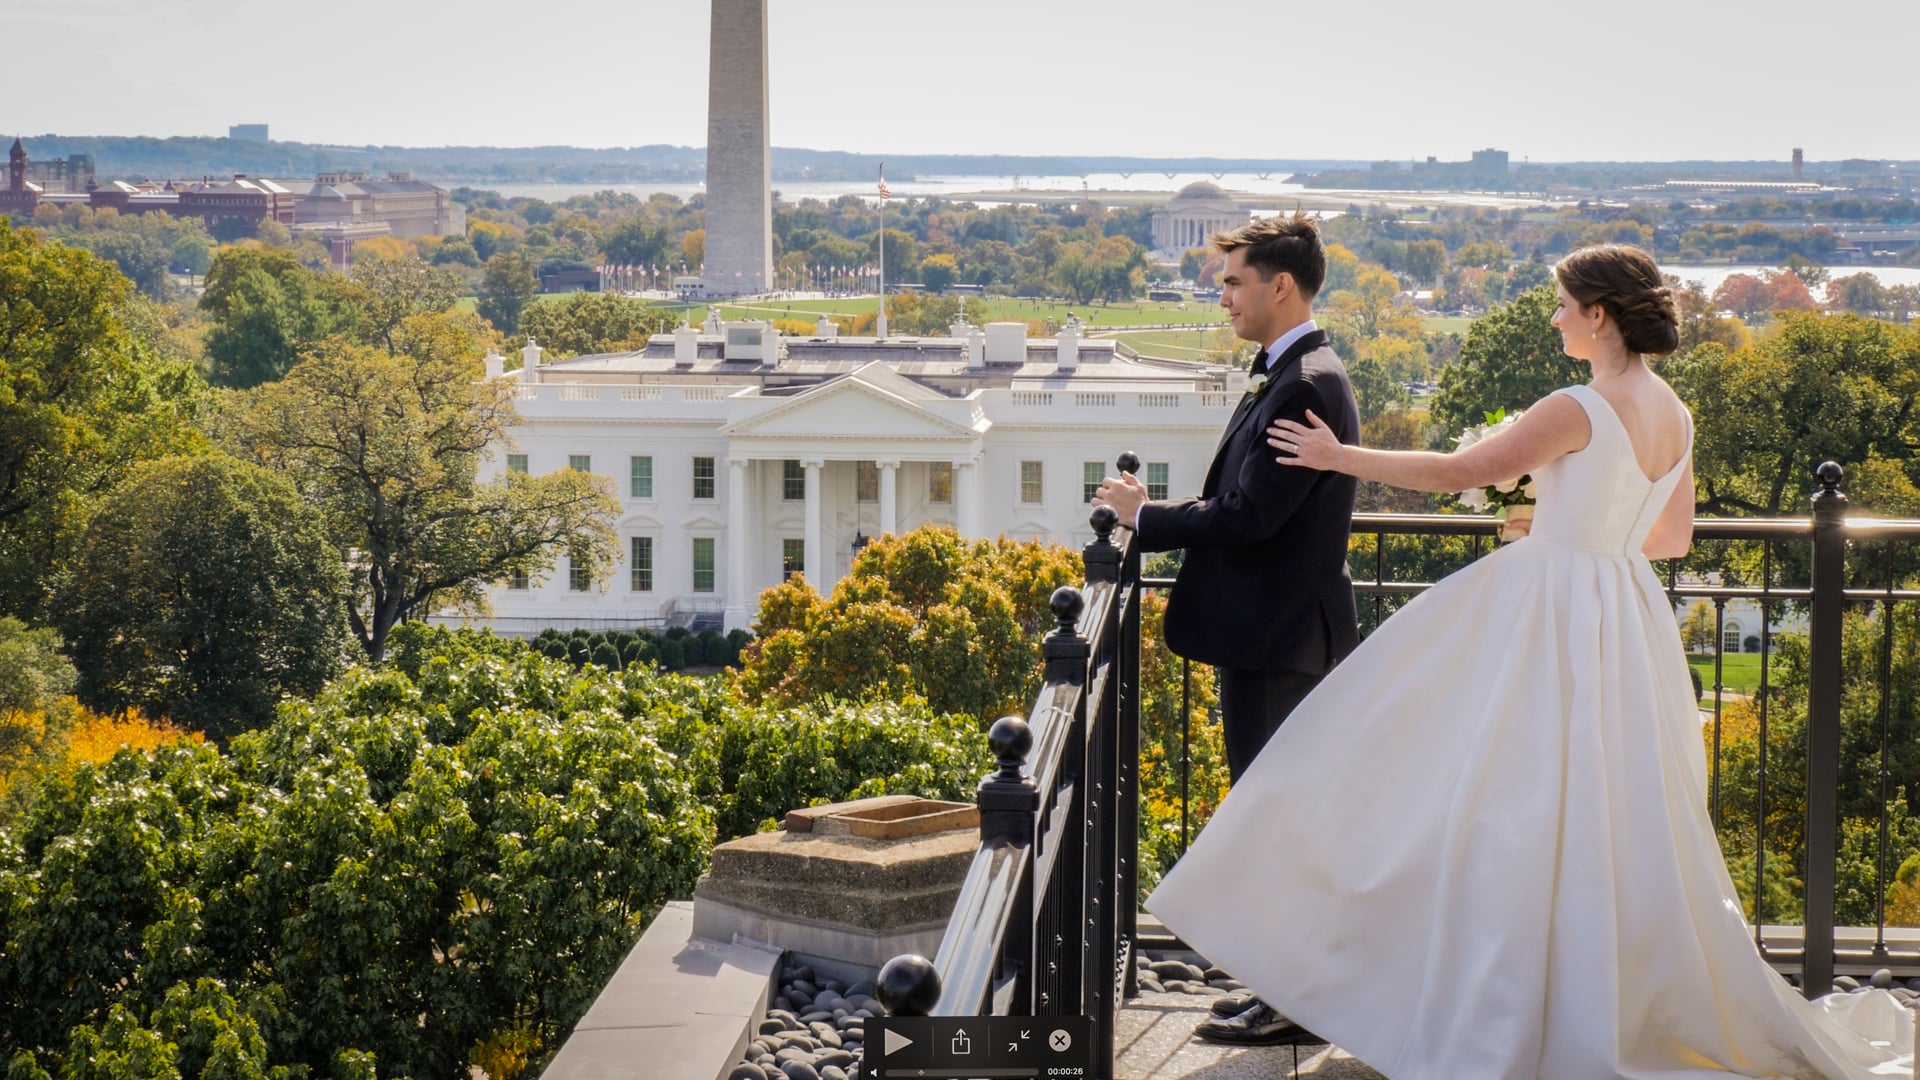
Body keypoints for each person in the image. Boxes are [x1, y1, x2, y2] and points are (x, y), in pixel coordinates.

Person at [1147, 244, 1914, 1078]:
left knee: (1453, 781)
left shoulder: (1578, 404)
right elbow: (1670, 538)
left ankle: (1448, 982)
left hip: (1549, 611)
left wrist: (1340, 459)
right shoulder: (1673, 411)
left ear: (1598, 315)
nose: (1552, 318)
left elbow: (1459, 472)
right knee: (1597, 809)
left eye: (1560, 305)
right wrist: (1570, 522)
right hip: (1622, 615)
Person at [1094, 212, 1361, 1047]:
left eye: (1234, 282)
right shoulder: (1291, 372)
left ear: (1282, 286)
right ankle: (1280, 989)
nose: (1222, 298)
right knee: (1271, 818)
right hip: (1271, 637)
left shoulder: (1307, 383)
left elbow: (1252, 516)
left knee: (1284, 827)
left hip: (1281, 642)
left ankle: (1300, 1004)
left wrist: (1147, 518)